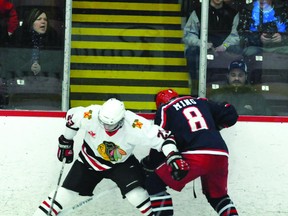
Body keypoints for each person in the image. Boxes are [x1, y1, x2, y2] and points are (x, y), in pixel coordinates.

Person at [32, 98, 189, 216]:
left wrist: (173, 156)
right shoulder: (91, 114)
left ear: (121, 120)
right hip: (89, 159)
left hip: (121, 164)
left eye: (111, 125)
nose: (106, 127)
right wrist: (66, 141)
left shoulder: (135, 124)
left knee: (136, 195)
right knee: (64, 193)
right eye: (103, 123)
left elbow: (164, 139)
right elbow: (71, 118)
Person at [141, 89, 239, 216]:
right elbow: (230, 113)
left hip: (196, 154)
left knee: (154, 183)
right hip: (220, 152)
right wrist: (213, 128)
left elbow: (161, 138)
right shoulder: (200, 101)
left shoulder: (165, 108)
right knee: (217, 196)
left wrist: (150, 163)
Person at [183, 0, 241, 94]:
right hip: (203, 49)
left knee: (237, 51)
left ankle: (234, 90)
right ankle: (195, 88)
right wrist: (202, 44)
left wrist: (224, 46)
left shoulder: (233, 13)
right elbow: (188, 34)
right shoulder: (198, 12)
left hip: (225, 49)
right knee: (191, 52)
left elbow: (236, 35)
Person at [237, 0, 288, 84]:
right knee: (249, 52)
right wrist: (258, 38)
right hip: (256, 47)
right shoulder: (247, 10)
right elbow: (242, 33)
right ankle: (252, 86)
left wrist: (282, 37)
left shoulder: (283, 10)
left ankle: (284, 86)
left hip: (279, 47)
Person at [9, 8, 62, 76]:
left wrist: (43, 67)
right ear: (31, 22)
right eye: (39, 19)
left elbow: (57, 61)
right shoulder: (20, 36)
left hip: (47, 78)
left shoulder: (53, 37)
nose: (43, 22)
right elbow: (11, 59)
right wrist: (28, 66)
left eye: (45, 19)